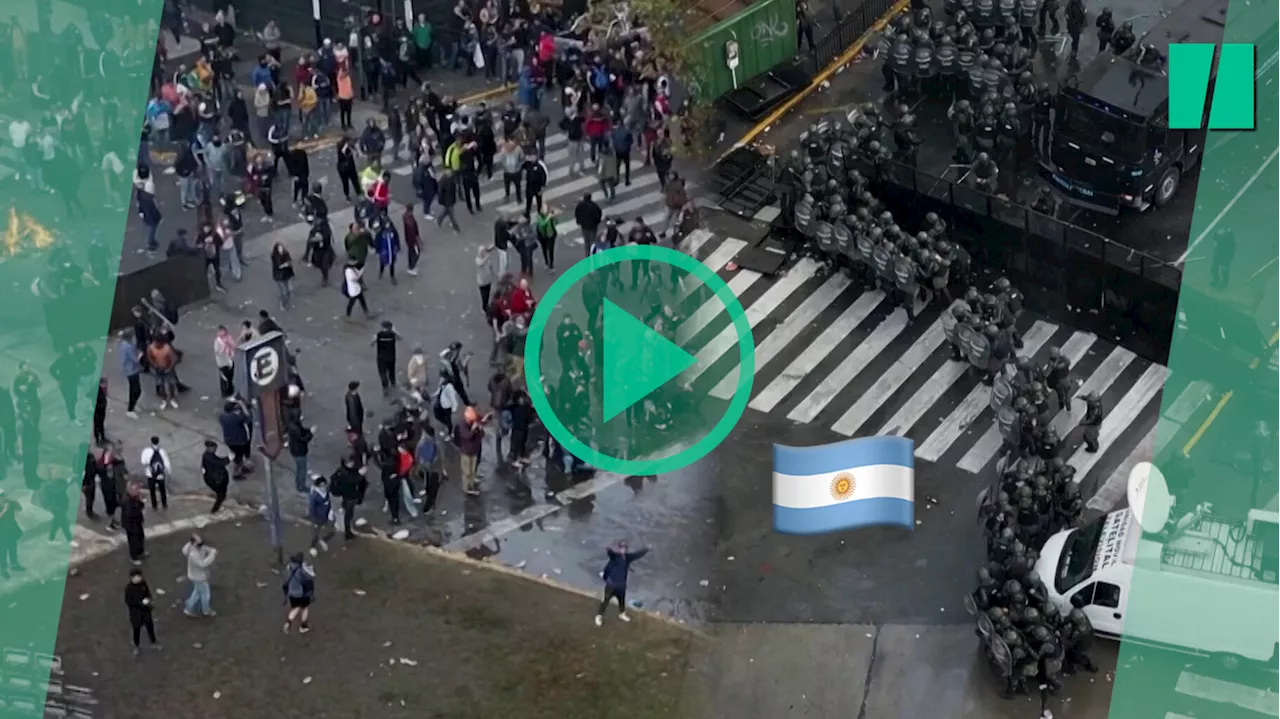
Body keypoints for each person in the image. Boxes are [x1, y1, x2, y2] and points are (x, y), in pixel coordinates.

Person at [596, 540, 649, 626]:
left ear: (626, 549)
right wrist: (609, 548)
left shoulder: (627, 557)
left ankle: (622, 614)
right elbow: (610, 553)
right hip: (611, 585)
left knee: (621, 601)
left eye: (625, 548)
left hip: (621, 585)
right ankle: (599, 616)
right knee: (605, 600)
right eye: (622, 547)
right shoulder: (615, 557)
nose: (623, 549)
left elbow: (637, 554)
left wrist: (646, 549)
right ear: (619, 548)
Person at [125, 568, 161, 655]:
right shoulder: (128, 588)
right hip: (136, 613)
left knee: (150, 626)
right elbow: (129, 602)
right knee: (136, 629)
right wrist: (141, 603)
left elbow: (148, 593)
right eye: (135, 577)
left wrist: (149, 600)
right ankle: (136, 645)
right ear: (131, 578)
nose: (137, 578)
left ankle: (153, 641)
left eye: (139, 576)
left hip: (146, 611)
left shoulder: (143, 584)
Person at [182, 533, 218, 617]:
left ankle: (189, 608)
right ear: (194, 543)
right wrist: (212, 554)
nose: (201, 545)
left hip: (195, 575)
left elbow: (204, 548)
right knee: (205, 593)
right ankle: (206, 610)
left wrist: (210, 550)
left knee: (197, 592)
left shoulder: (191, 547)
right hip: (199, 577)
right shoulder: (193, 554)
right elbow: (203, 564)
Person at [282, 552, 316, 634]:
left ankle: (288, 622)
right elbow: (308, 581)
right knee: (304, 608)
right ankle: (303, 626)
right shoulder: (301, 572)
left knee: (296, 608)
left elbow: (285, 581)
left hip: (291, 594)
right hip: (302, 594)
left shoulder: (289, 568)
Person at [140, 436, 171, 511]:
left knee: (152, 491)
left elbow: (143, 462)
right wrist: (169, 472)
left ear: (151, 441)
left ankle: (155, 506)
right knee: (162, 490)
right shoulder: (162, 451)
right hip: (160, 474)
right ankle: (164, 504)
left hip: (150, 474)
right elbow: (166, 462)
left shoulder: (146, 451)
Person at [200, 440, 231, 513]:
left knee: (222, 492)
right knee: (221, 495)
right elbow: (219, 462)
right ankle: (214, 510)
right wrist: (229, 458)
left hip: (216, 478)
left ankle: (219, 499)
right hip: (215, 480)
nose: (215, 450)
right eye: (214, 448)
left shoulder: (208, 455)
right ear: (208, 448)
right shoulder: (208, 457)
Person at [308, 475, 335, 553]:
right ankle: (312, 547)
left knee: (332, 531)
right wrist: (314, 520)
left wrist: (330, 511)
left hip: (325, 516)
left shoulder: (326, 492)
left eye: (324, 485)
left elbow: (328, 502)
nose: (323, 488)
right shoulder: (314, 496)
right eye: (321, 486)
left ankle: (323, 540)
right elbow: (311, 509)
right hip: (317, 518)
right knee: (315, 534)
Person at [373, 321, 402, 393]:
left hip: (381, 357)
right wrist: (394, 331)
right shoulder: (392, 334)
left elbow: (371, 343)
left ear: (382, 327)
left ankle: (385, 388)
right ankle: (393, 385)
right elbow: (400, 338)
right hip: (391, 357)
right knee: (392, 372)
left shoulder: (378, 335)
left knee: (382, 373)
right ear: (391, 327)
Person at [270, 242, 295, 309]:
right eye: (279, 248)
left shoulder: (286, 253)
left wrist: (287, 264)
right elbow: (278, 266)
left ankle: (287, 301)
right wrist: (285, 265)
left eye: (281, 248)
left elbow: (290, 261)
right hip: (279, 276)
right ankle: (284, 303)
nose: (280, 249)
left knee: (290, 290)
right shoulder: (274, 256)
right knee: (283, 292)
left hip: (287, 274)